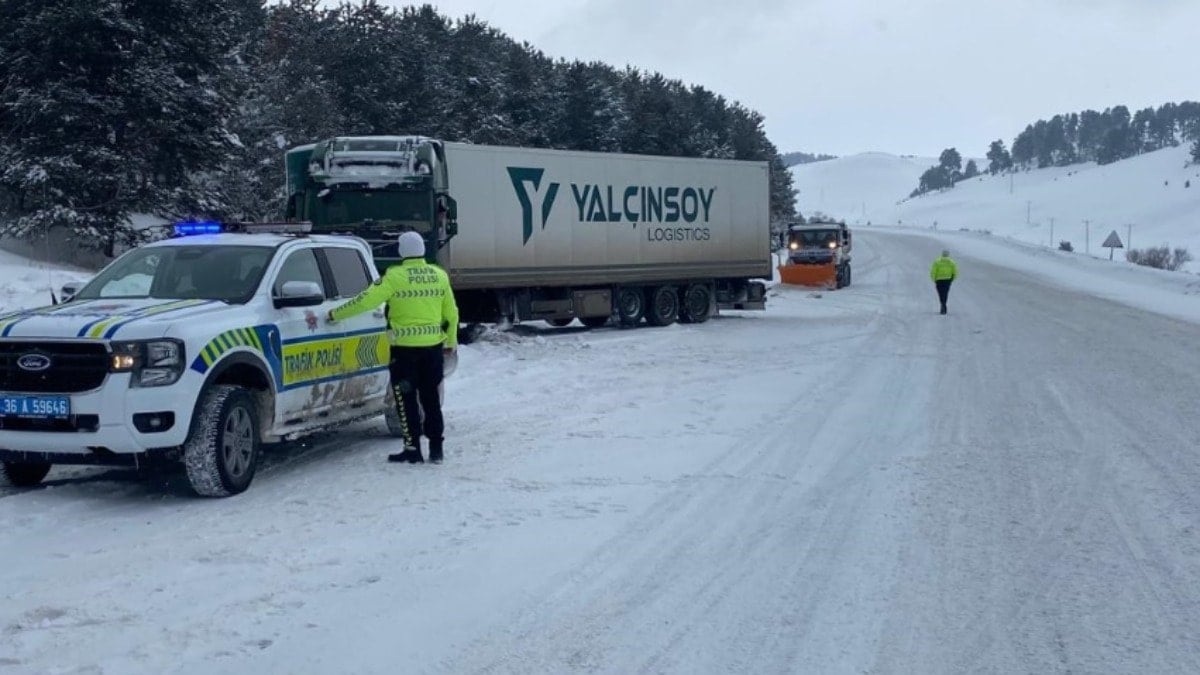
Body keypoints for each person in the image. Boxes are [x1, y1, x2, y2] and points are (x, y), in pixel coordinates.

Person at [328, 231, 459, 464]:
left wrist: (336, 313)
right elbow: (451, 313)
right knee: (430, 399)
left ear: (402, 251)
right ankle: (437, 450)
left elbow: (366, 300)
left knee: (406, 400)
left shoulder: (395, 276)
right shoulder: (439, 275)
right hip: (433, 350)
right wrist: (450, 342)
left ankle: (413, 450)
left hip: (405, 352)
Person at [929, 249, 958, 315]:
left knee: (941, 293)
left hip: (939, 280)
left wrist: (934, 279)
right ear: (948, 255)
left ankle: (942, 304)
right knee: (945, 293)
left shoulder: (937, 261)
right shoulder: (952, 262)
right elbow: (955, 272)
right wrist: (952, 279)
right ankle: (943, 304)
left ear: (942, 254)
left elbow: (933, 271)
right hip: (947, 280)